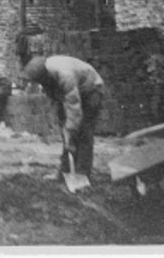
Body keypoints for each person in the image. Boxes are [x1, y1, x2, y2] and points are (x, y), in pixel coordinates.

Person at [18, 37, 104, 180]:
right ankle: (64, 173)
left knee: (84, 131)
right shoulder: (47, 76)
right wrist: (65, 129)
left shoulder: (65, 75)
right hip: (77, 90)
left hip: (92, 89)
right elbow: (57, 101)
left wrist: (70, 130)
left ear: (45, 75)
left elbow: (74, 107)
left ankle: (82, 174)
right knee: (67, 133)